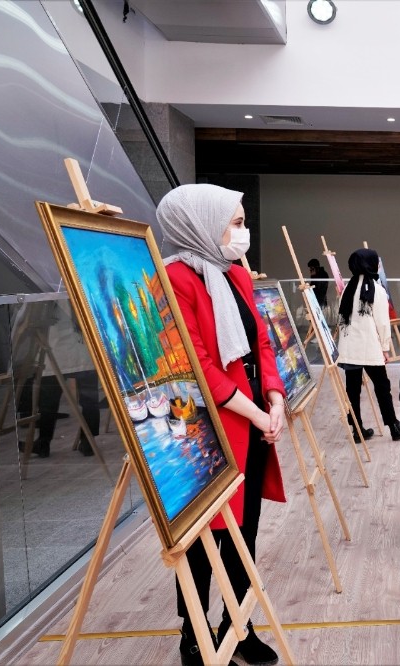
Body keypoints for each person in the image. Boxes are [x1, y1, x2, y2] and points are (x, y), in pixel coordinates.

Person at [158, 184, 287, 666]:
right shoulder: (175, 279)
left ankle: (240, 622)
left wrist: (273, 397)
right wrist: (255, 412)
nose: (242, 231)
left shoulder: (236, 274)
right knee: (201, 535)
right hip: (207, 430)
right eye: (234, 222)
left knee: (243, 529)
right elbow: (196, 364)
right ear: (201, 224)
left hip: (252, 419)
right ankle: (193, 633)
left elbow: (262, 343)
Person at [336, 248, 400, 443]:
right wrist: (385, 347)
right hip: (370, 348)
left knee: (353, 391)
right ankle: (393, 426)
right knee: (382, 387)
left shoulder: (347, 290)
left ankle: (357, 430)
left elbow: (342, 322)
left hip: (349, 350)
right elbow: (382, 323)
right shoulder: (376, 289)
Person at [14, 302, 99, 459]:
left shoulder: (46, 288)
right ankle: (88, 442)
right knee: (89, 400)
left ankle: (44, 442)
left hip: (57, 350)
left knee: (49, 401)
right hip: (83, 349)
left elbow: (25, 317)